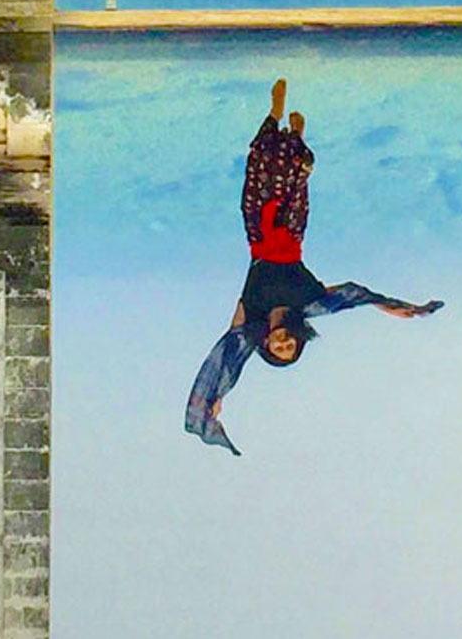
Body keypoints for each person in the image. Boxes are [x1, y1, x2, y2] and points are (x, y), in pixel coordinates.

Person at [183, 79, 441, 455]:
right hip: (290, 230)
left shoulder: (251, 315)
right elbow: (352, 295)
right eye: (291, 345)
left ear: (268, 346)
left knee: (259, 161)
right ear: (298, 338)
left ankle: (275, 113)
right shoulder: (309, 303)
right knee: (297, 172)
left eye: (278, 348)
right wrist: (390, 306)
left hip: (257, 229)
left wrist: (216, 398)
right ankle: (298, 134)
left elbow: (229, 354)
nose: (283, 341)